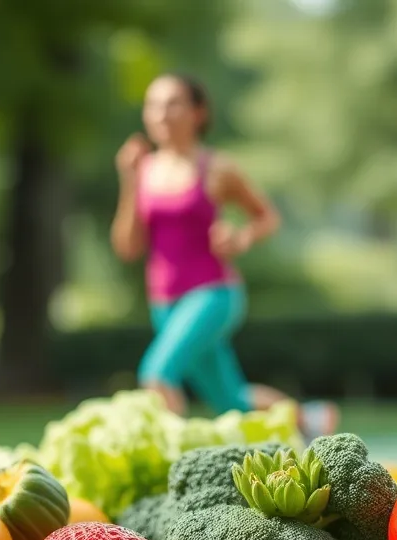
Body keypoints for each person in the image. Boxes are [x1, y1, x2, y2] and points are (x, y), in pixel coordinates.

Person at [110, 72, 338, 439]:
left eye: (173, 104)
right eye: (153, 106)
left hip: (213, 294)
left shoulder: (216, 168)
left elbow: (266, 218)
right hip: (165, 303)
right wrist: (128, 180)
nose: (161, 115)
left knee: (156, 373)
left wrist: (241, 238)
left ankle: (170, 466)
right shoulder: (144, 170)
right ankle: (308, 420)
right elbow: (128, 247)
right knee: (230, 402)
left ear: (198, 112)